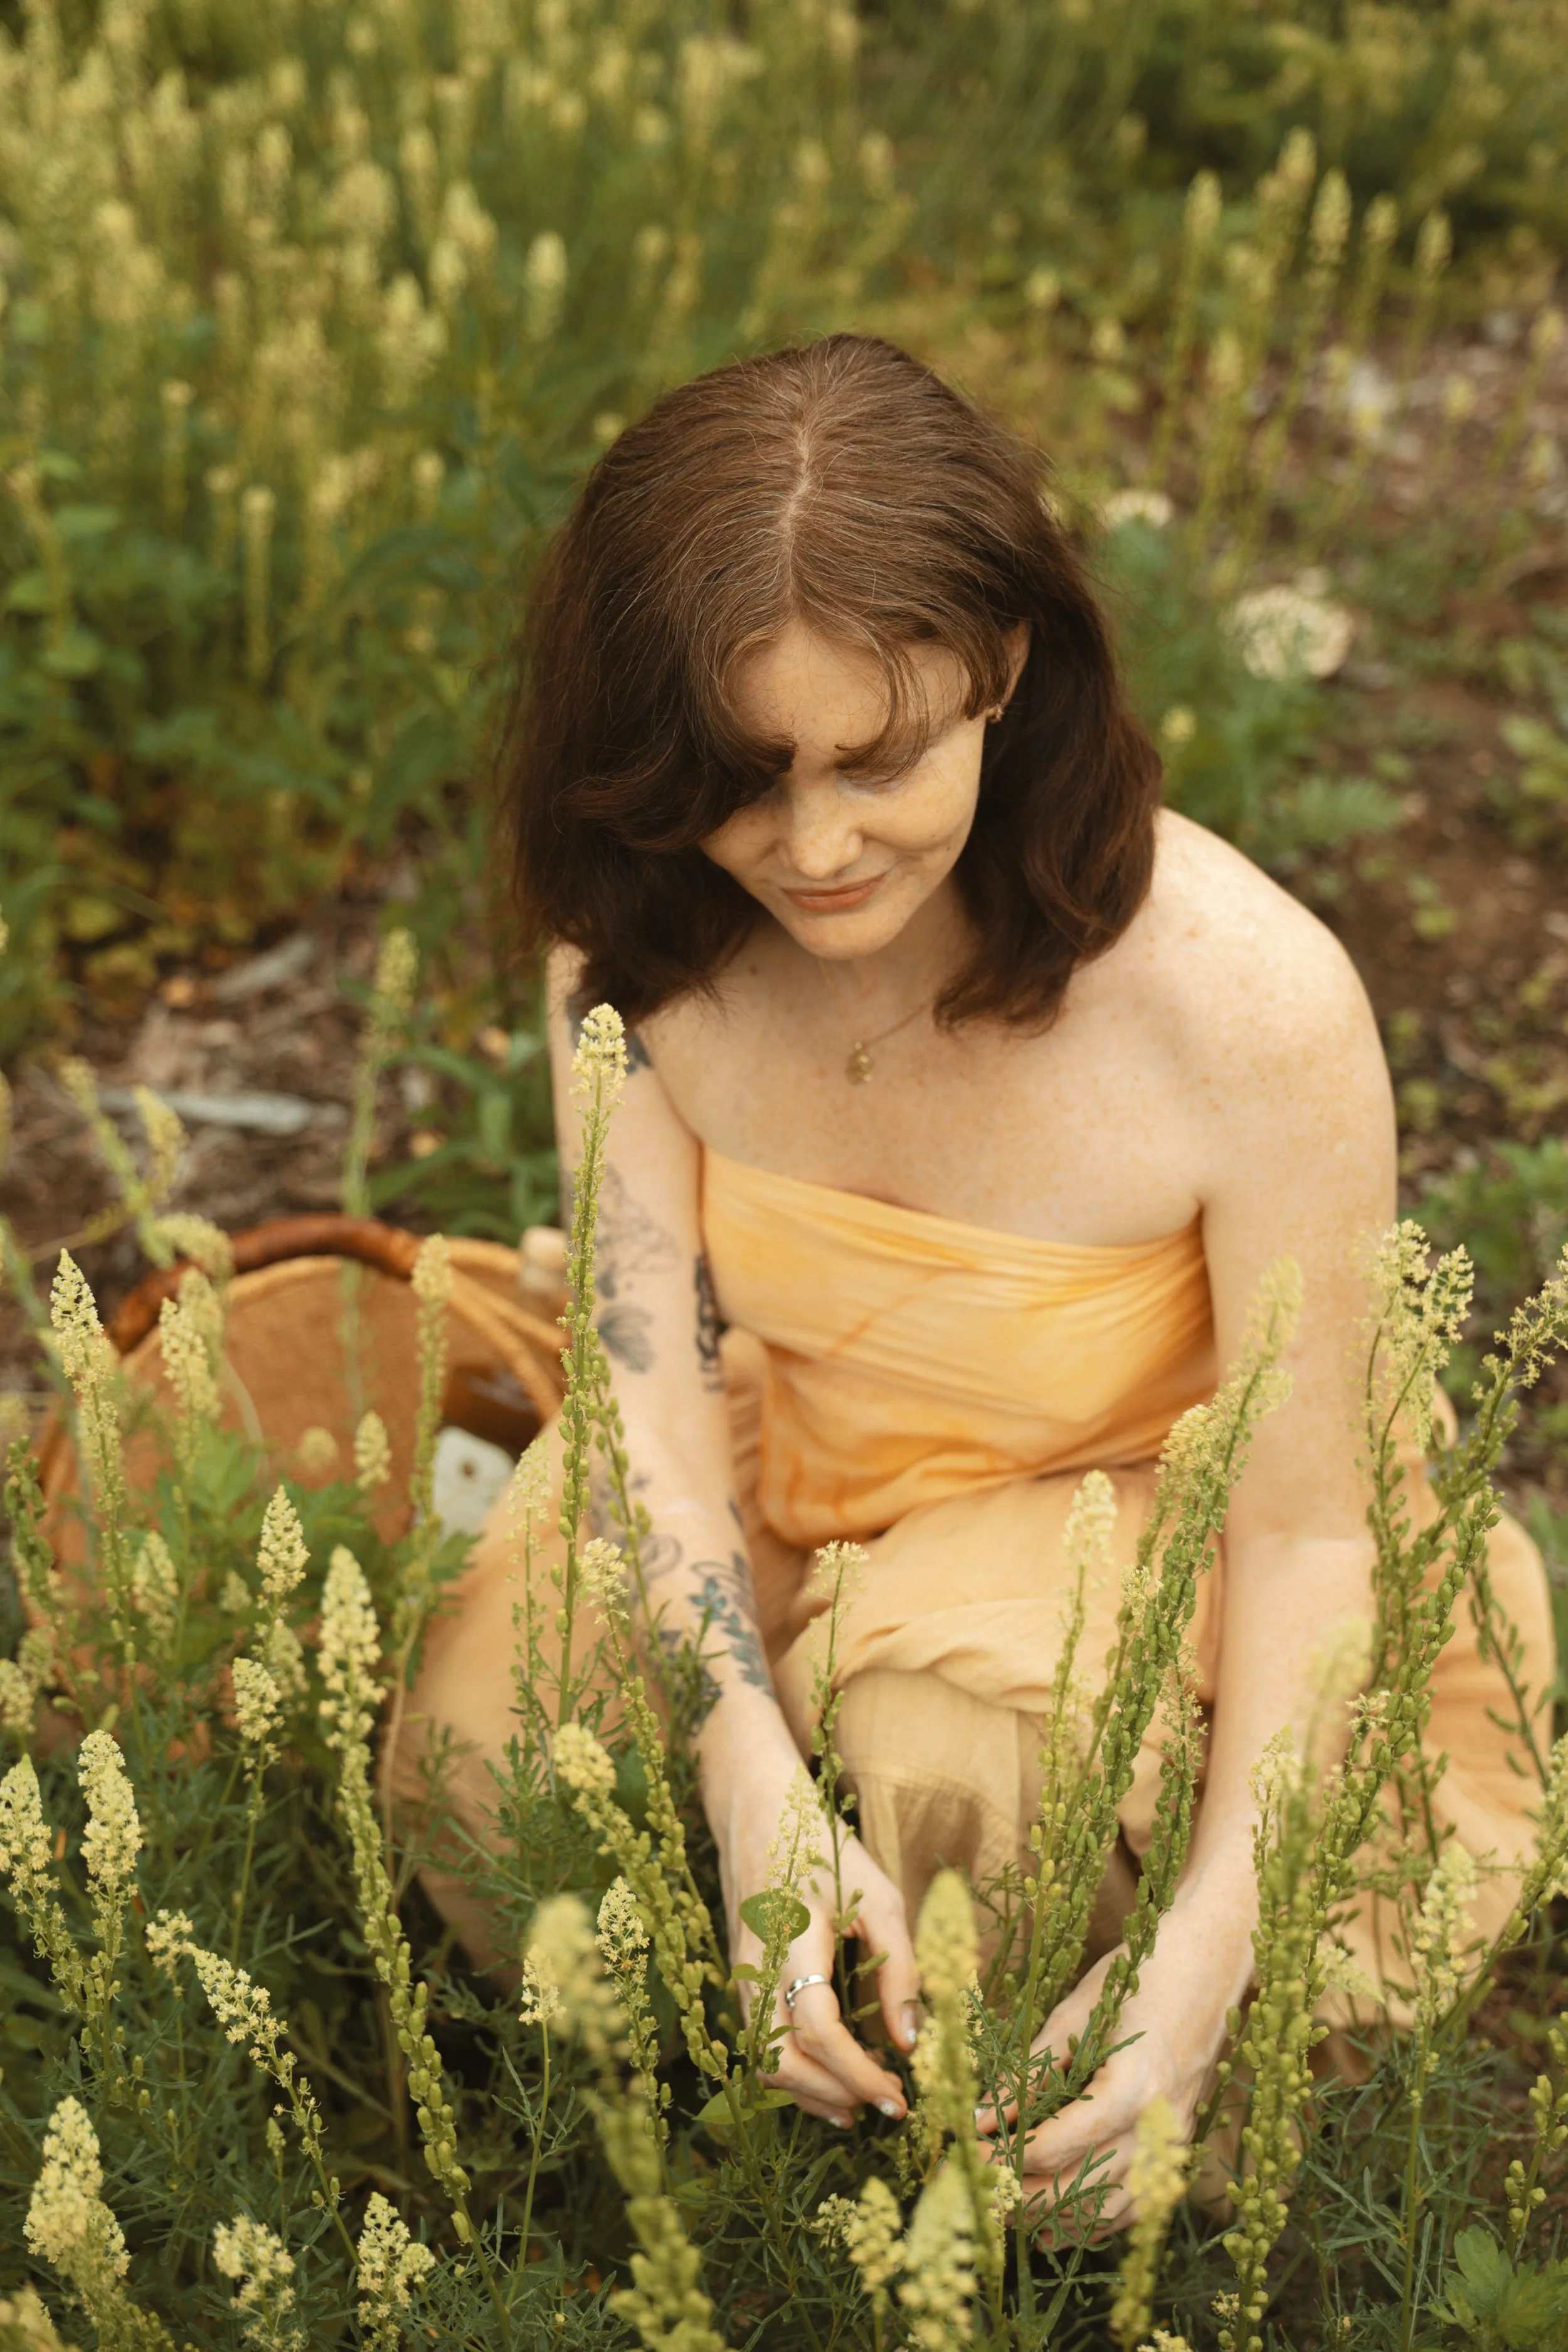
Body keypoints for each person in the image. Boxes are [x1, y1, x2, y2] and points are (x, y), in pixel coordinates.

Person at [398, 332, 1552, 2227]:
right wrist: (741, 1761)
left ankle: (1005, 2075)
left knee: (956, 1766)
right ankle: (757, 2037)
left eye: (880, 758)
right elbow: (660, 1417)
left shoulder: (1242, 1006)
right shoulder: (640, 946)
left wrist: (1202, 1955)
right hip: (805, 1454)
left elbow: (1303, 1533)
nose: (818, 848)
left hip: (1142, 1513)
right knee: (481, 1758)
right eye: (740, 781)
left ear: (1003, 671)